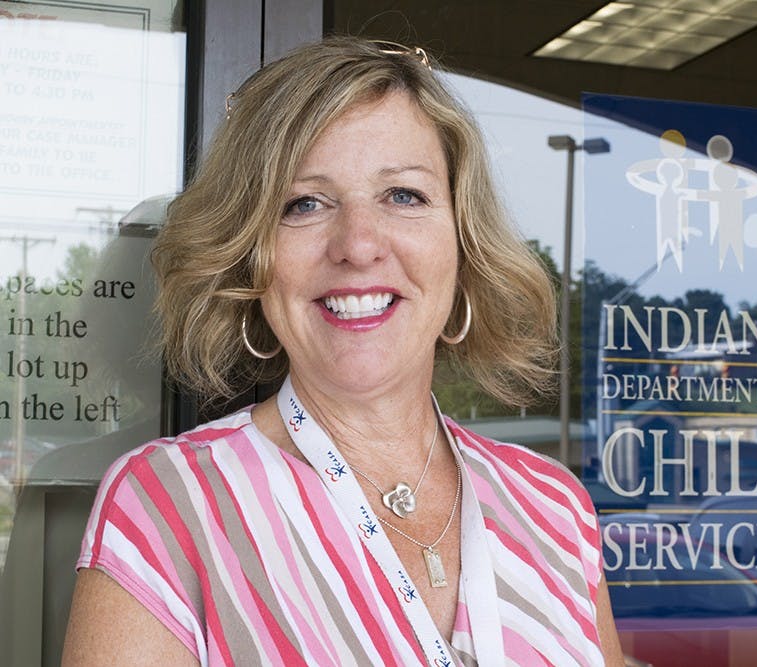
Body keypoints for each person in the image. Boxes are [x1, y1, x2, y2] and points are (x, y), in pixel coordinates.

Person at [62, 36, 624, 666]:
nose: (358, 244)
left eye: (404, 196)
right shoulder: (168, 507)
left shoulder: (553, 507)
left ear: (463, 247)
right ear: (253, 259)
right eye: (304, 204)